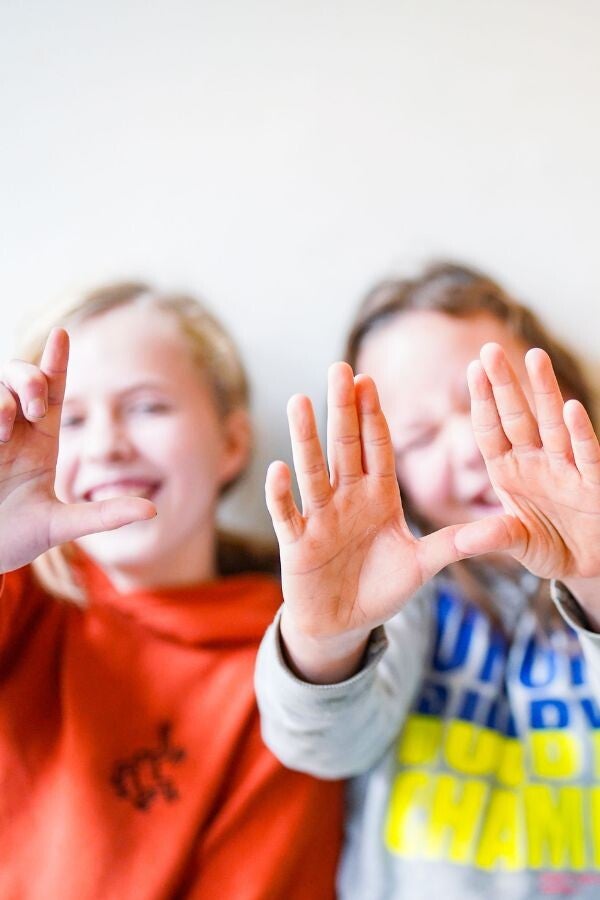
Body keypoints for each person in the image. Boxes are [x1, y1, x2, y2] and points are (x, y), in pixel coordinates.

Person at [256, 263, 600, 899]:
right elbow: (325, 749)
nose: (468, 446)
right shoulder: (402, 592)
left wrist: (594, 581)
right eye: (416, 438)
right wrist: (326, 641)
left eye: (487, 402)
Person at [0, 281, 343, 899]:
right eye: (70, 418)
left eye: (148, 408)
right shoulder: (16, 601)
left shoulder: (296, 669)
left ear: (231, 443)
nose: (107, 445)